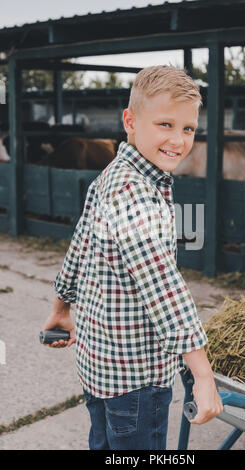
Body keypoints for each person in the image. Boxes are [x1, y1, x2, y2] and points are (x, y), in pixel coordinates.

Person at [42, 65, 223, 450]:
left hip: (99, 371)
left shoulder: (112, 175)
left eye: (188, 129)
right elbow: (164, 288)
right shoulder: (138, 196)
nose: (178, 140)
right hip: (137, 382)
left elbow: (79, 245)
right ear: (130, 121)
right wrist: (203, 376)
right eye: (165, 125)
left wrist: (60, 308)